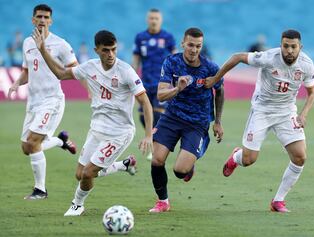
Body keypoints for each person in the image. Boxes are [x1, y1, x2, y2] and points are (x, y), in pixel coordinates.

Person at [32, 28, 154, 216]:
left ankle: (77, 204)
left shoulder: (126, 71)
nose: (111, 54)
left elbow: (145, 102)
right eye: (106, 50)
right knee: (80, 174)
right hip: (96, 130)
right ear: (96, 49)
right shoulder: (89, 67)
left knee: (88, 173)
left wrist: (147, 135)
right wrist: (42, 50)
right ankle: (124, 164)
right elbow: (61, 73)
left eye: (113, 49)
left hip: (119, 133)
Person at [205, 29, 314, 213]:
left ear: (300, 47)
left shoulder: (306, 65)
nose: (289, 50)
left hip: (286, 112)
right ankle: (236, 157)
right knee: (249, 160)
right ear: (281, 45)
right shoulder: (268, 57)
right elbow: (237, 57)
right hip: (262, 111)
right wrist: (217, 79)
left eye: (293, 47)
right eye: (286, 46)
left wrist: (303, 114)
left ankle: (278, 200)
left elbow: (312, 94)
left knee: (300, 157)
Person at [149, 27, 225, 213]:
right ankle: (163, 202)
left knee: (180, 171)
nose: (194, 50)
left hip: (197, 123)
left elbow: (220, 91)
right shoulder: (171, 62)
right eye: (190, 45)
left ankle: (188, 166)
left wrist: (217, 121)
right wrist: (177, 89)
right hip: (172, 117)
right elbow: (160, 95)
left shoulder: (210, 68)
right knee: (157, 161)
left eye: (198, 46)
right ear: (183, 43)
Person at [7, 4, 77, 200]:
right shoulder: (27, 43)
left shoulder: (60, 44)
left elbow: (75, 70)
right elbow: (27, 72)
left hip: (52, 101)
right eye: (39, 17)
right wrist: (16, 83)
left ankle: (40, 190)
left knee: (33, 142)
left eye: (46, 17)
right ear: (33, 20)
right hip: (33, 102)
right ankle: (60, 141)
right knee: (26, 148)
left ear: (51, 21)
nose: (42, 20)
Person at [132, 8, 176, 160]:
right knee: (143, 116)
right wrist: (132, 77)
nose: (154, 21)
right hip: (145, 83)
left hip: (162, 84)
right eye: (151, 18)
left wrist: (174, 79)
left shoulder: (168, 37)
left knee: (157, 114)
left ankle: (156, 145)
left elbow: (174, 58)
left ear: (161, 20)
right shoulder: (140, 37)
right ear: (147, 20)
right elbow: (136, 59)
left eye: (156, 18)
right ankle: (151, 139)